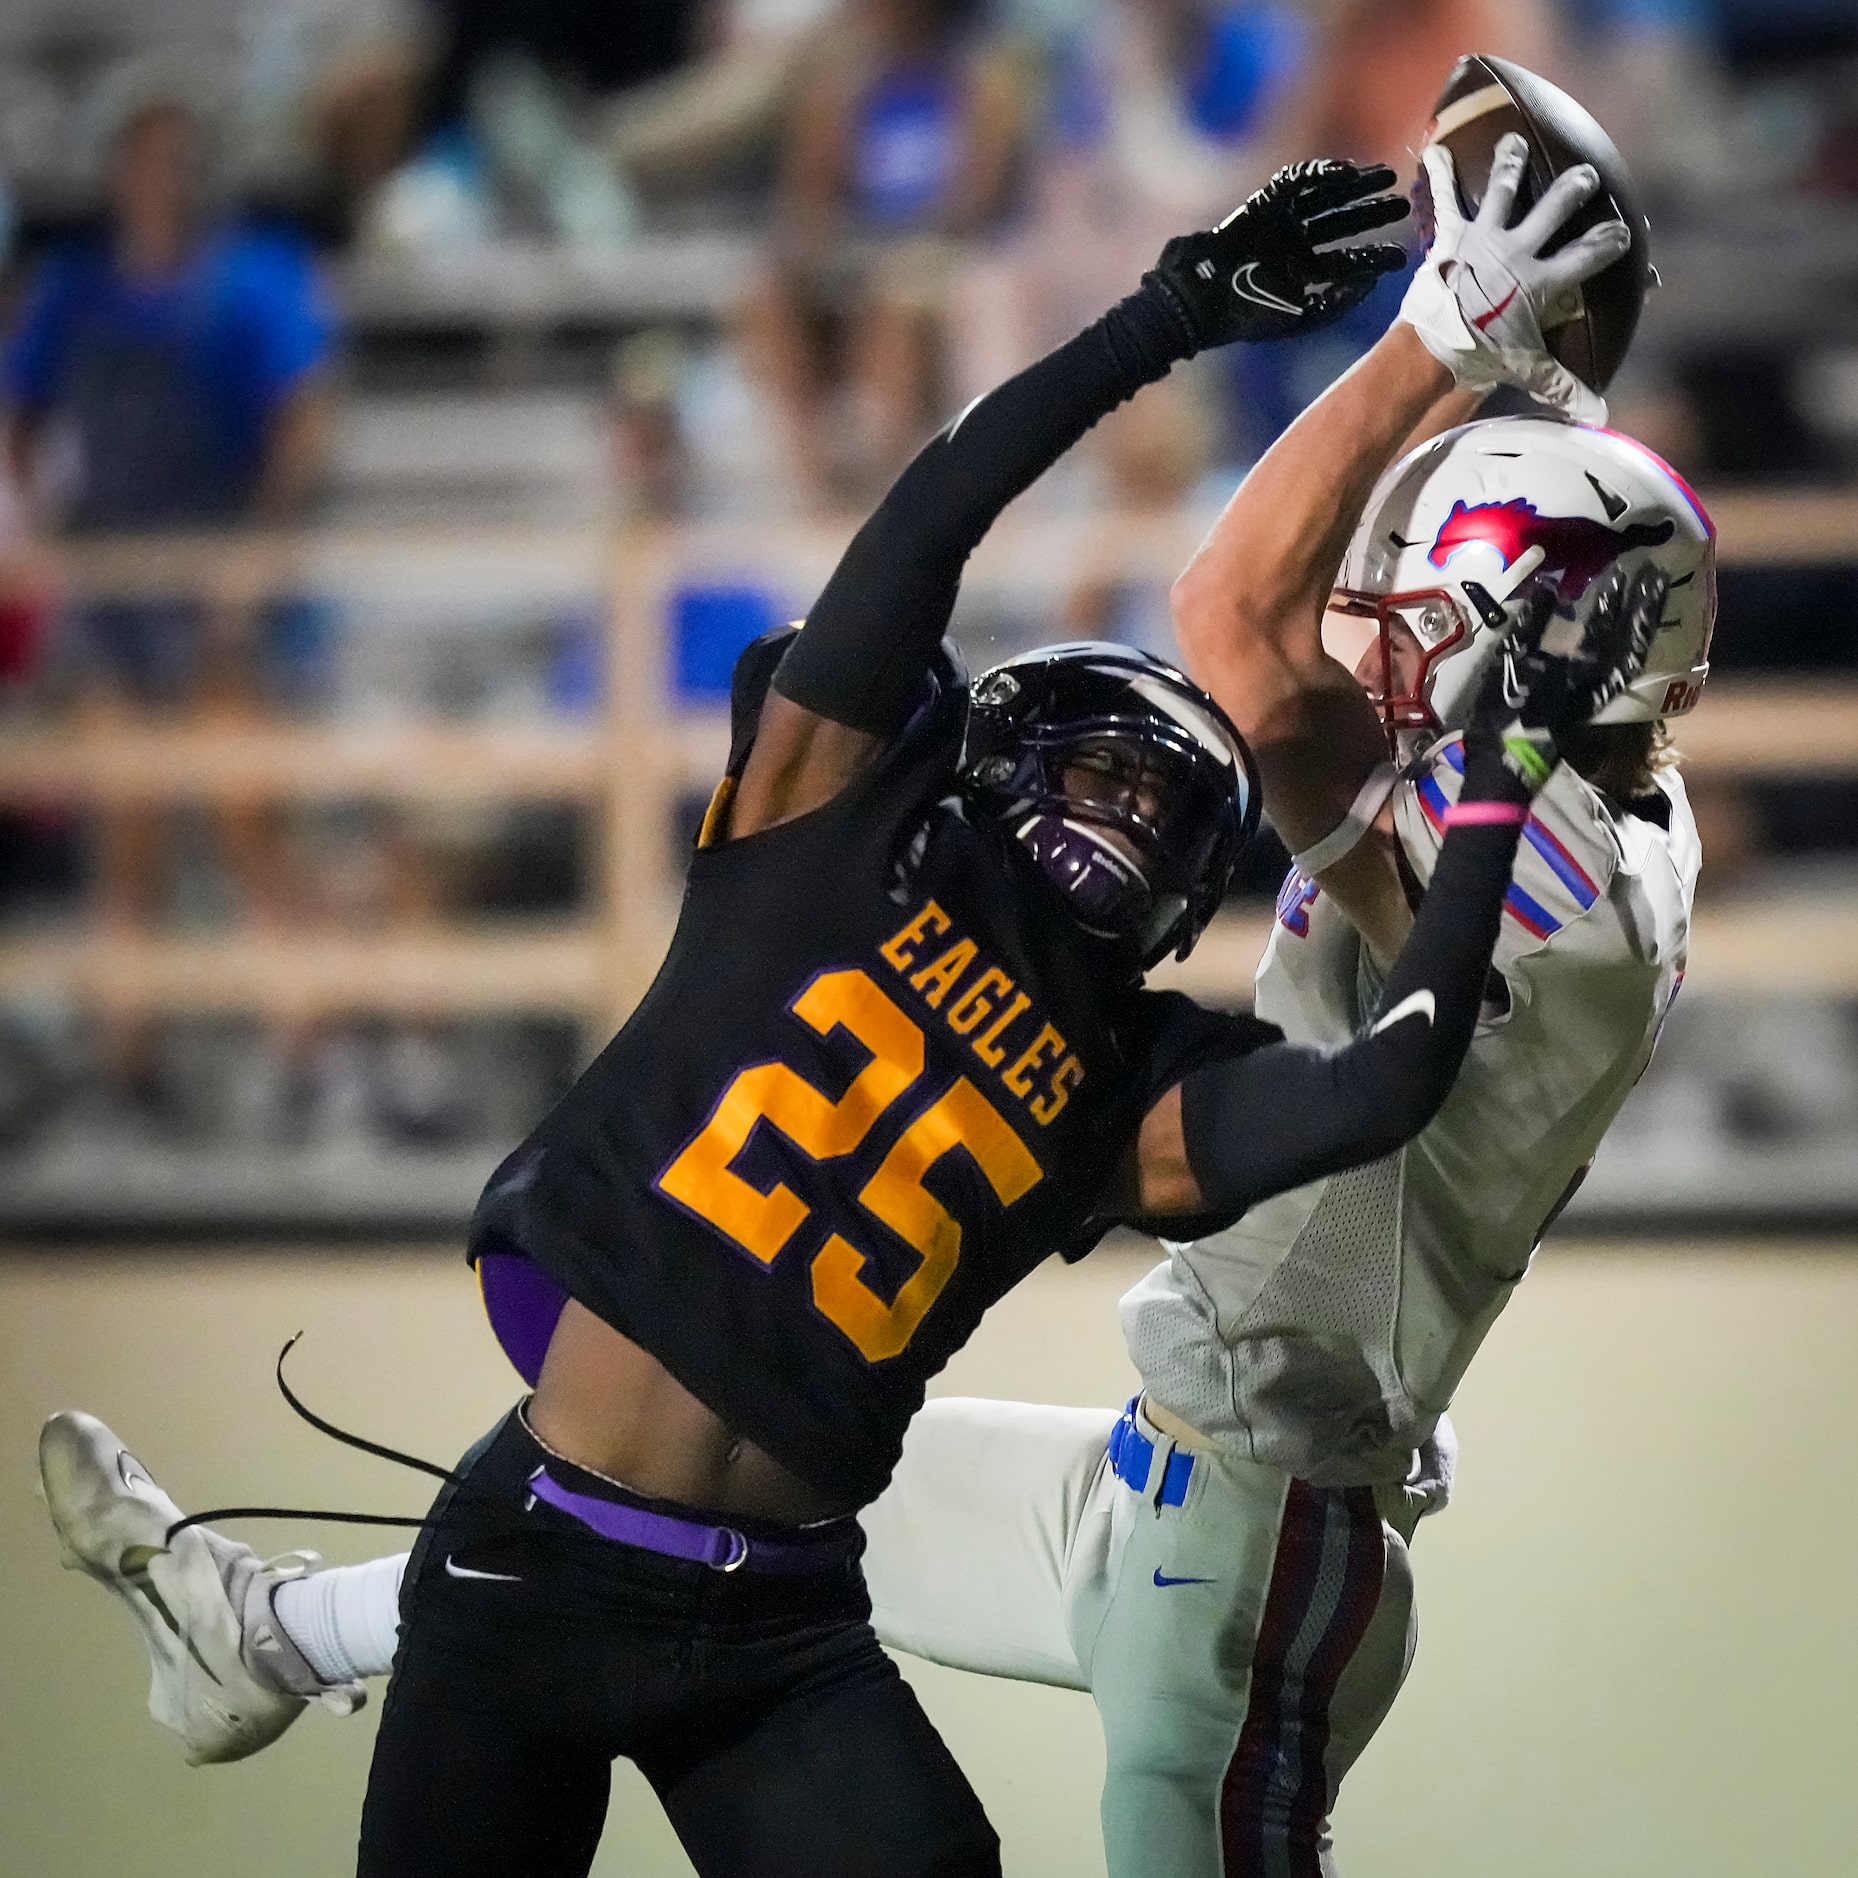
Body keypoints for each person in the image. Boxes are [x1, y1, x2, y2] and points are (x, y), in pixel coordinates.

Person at [40, 157, 1645, 1878]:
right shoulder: (826, 829)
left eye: (1171, 811)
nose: (1127, 817)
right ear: (989, 758)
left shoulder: (1123, 1065)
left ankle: (264, 1630)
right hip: (535, 1564)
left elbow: (1392, 1077)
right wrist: (1163, 317)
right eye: (1104, 768)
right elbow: (931, 514)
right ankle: (260, 1631)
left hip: (779, 1628)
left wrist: (1503, 777)